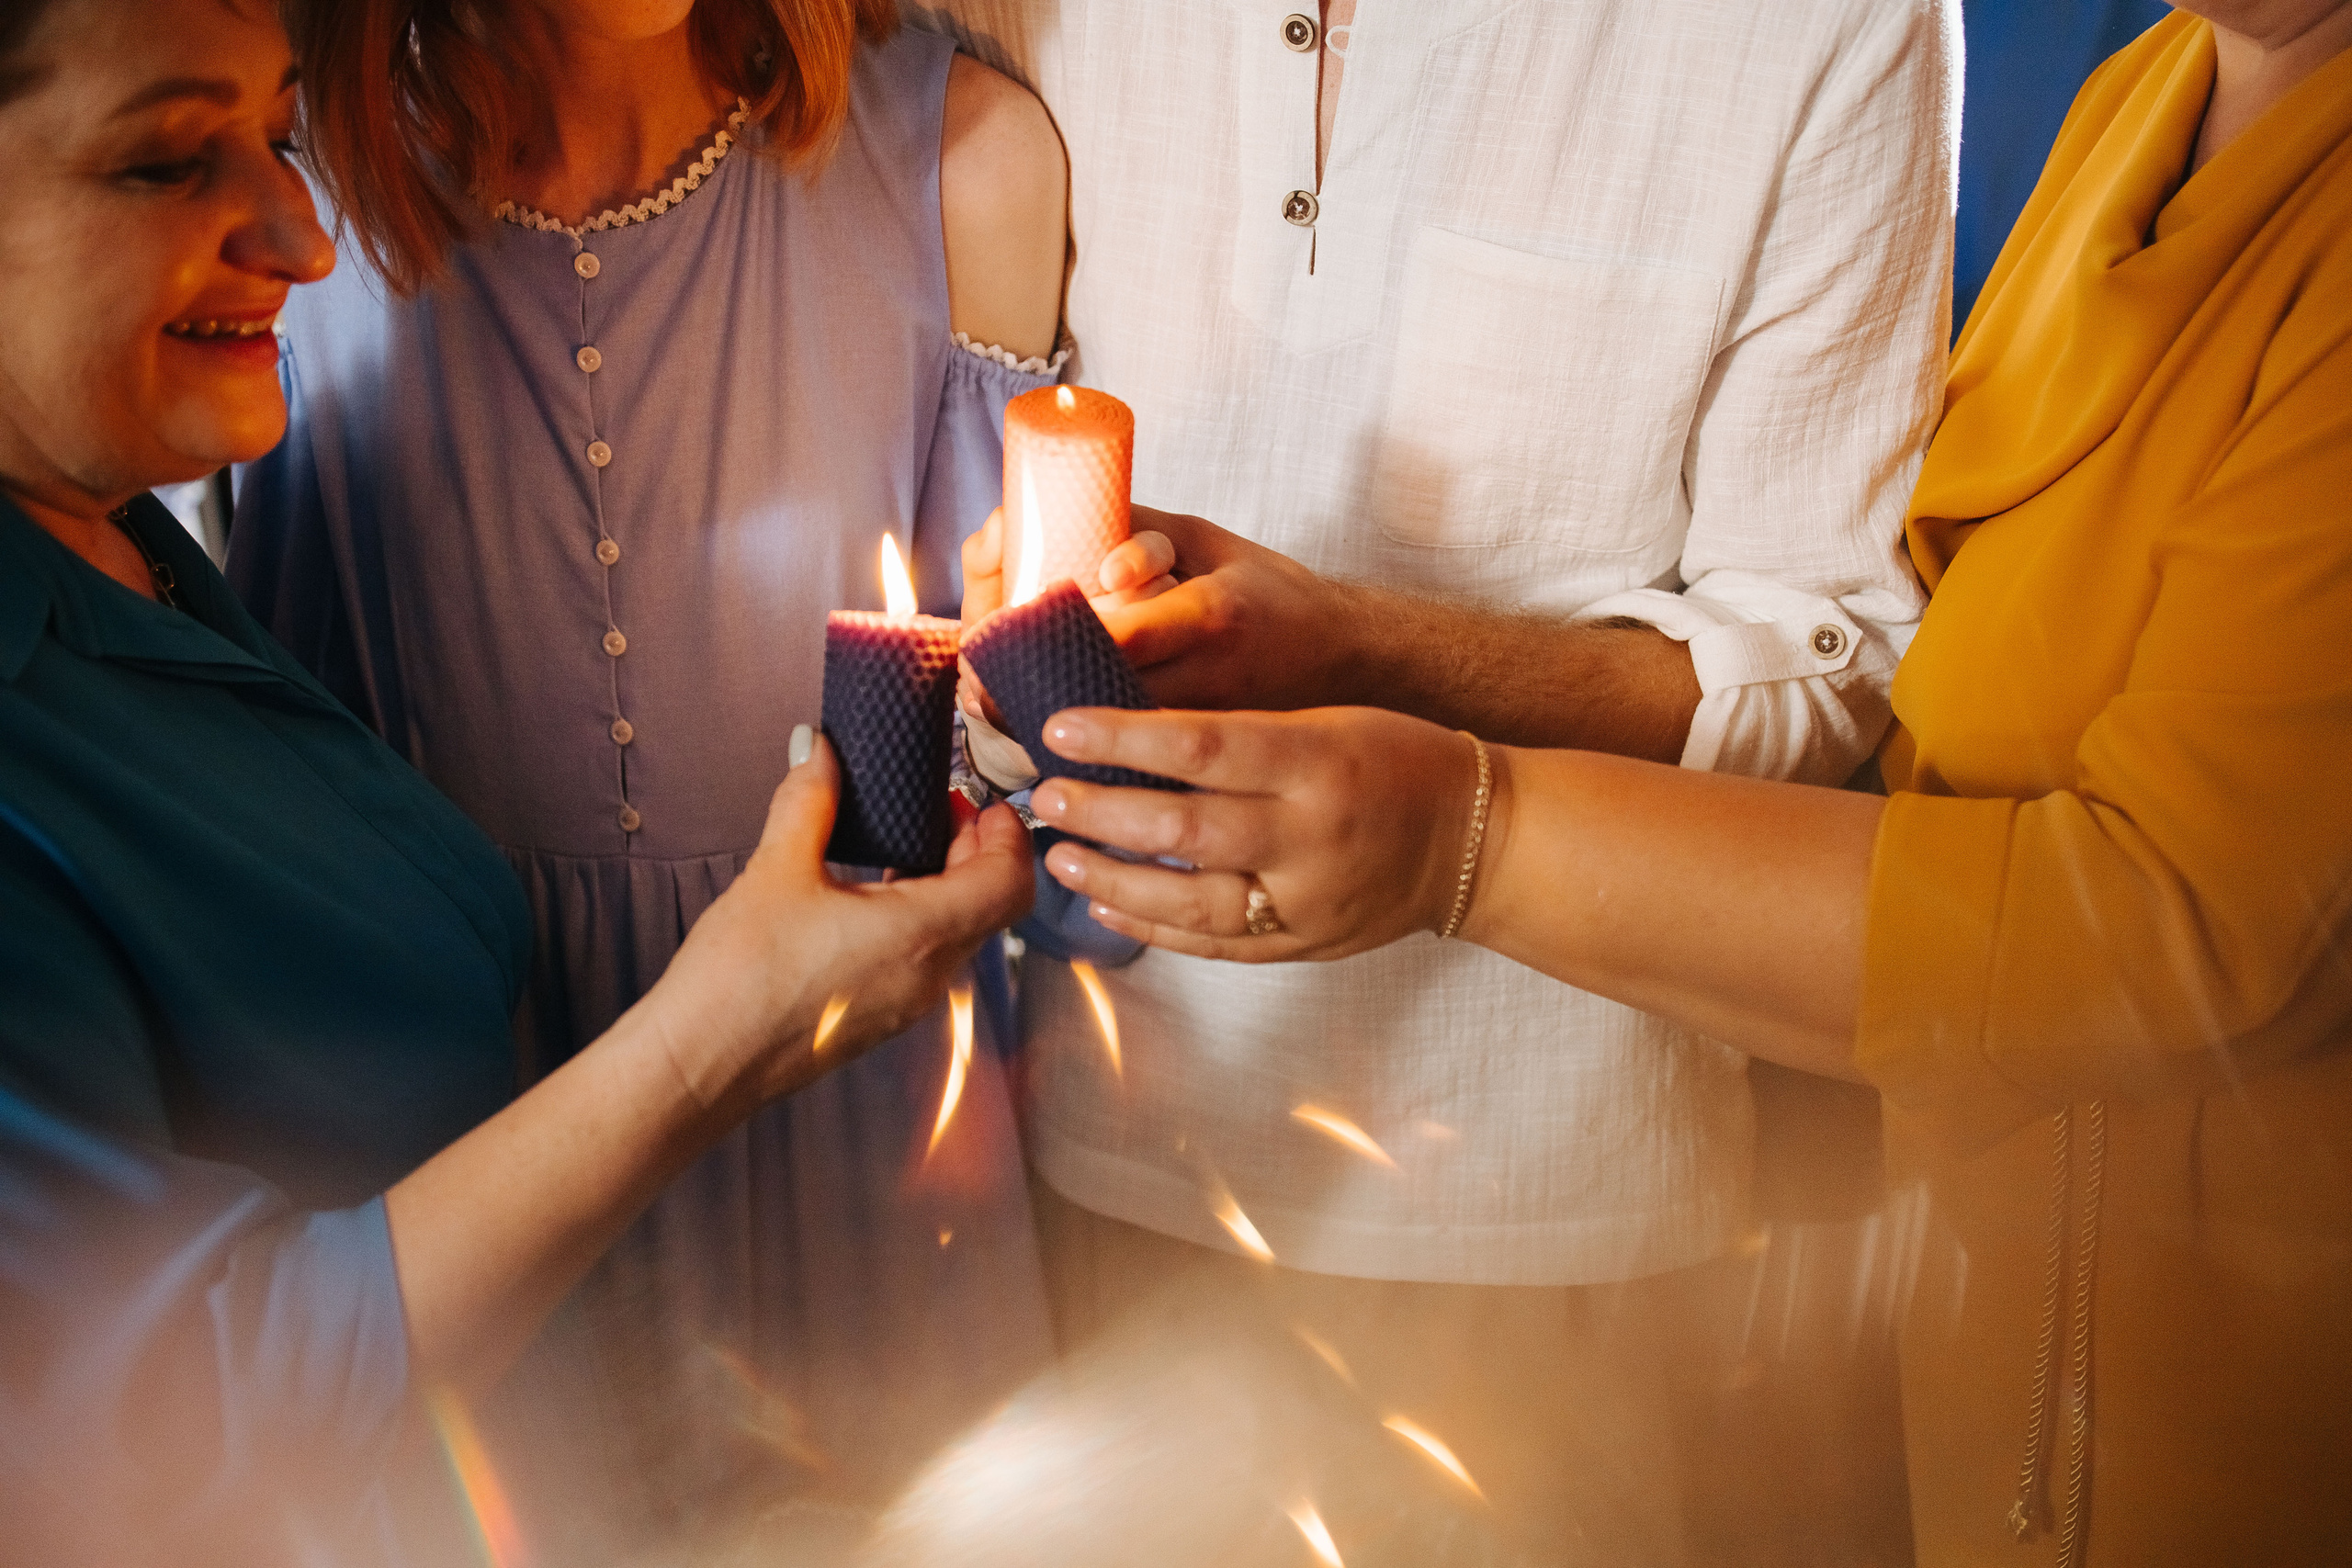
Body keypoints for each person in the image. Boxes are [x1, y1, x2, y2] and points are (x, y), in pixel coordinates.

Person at [1019, 5, 2352, 1563]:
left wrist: (1462, 827)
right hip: (2006, 1319)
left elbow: (2155, 913)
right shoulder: (2165, 87)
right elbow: (1977, 694)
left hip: (2183, 1362)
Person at [0, 0, 1035, 1563]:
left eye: (279, 134)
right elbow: (165, 1404)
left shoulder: (116, 540)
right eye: (161, 161)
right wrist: (710, 1038)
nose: (303, 236)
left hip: (853, 1167)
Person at [929, 0, 1953, 1554]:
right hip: (1092, 1152)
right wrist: (1020, 673)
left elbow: (1829, 662)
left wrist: (1369, 654)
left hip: (1557, 1218)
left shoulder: (1832, 24)